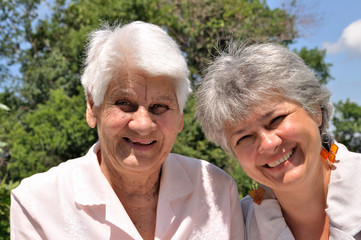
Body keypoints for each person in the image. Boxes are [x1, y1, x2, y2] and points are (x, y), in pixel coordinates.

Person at [10, 21, 244, 240]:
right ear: (92, 108)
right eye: (124, 104)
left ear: (180, 118)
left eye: (160, 107)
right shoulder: (36, 203)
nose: (142, 124)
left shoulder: (217, 190)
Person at [196, 42, 361, 240]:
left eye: (275, 120)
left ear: (315, 110)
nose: (268, 143)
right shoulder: (232, 228)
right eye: (245, 137)